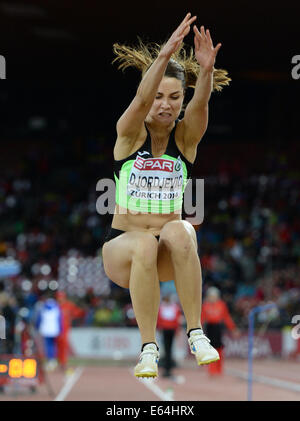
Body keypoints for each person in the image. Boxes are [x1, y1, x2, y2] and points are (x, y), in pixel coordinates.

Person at [102, 12, 231, 378]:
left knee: (182, 229)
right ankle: (148, 347)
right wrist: (163, 57)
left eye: (175, 97)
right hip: (122, 249)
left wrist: (205, 72)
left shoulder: (185, 139)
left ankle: (195, 333)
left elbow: (201, 107)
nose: (165, 104)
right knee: (142, 241)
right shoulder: (129, 133)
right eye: (159, 95)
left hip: (163, 254)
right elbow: (140, 103)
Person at [201, 286, 240, 376]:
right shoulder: (205, 305)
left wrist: (233, 329)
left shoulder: (221, 305)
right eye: (211, 296)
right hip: (209, 327)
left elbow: (226, 318)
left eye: (214, 296)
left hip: (218, 328)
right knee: (210, 349)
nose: (212, 298)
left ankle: (219, 368)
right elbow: (202, 318)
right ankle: (212, 369)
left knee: (219, 348)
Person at [55, 291, 86, 371]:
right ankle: (58, 362)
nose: (60, 299)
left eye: (61, 297)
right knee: (57, 347)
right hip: (55, 330)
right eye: (58, 297)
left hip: (65, 330)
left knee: (64, 346)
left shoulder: (69, 305)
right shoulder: (55, 306)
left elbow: (78, 313)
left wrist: (83, 311)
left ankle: (63, 363)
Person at [157, 293, 182, 378]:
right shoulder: (162, 307)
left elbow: (177, 320)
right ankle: (166, 368)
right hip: (165, 330)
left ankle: (168, 368)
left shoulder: (174, 307)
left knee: (169, 349)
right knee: (166, 349)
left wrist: (177, 330)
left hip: (171, 330)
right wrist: (159, 328)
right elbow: (159, 319)